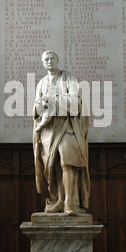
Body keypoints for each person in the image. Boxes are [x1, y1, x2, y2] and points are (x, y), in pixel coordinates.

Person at [33, 51, 90, 215]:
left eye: (52, 58)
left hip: (67, 127)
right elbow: (37, 107)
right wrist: (52, 103)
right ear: (43, 63)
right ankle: (59, 199)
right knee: (54, 165)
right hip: (48, 131)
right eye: (46, 59)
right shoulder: (42, 83)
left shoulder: (69, 78)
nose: (49, 61)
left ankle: (70, 203)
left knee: (67, 163)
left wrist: (51, 101)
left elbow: (75, 104)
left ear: (58, 60)